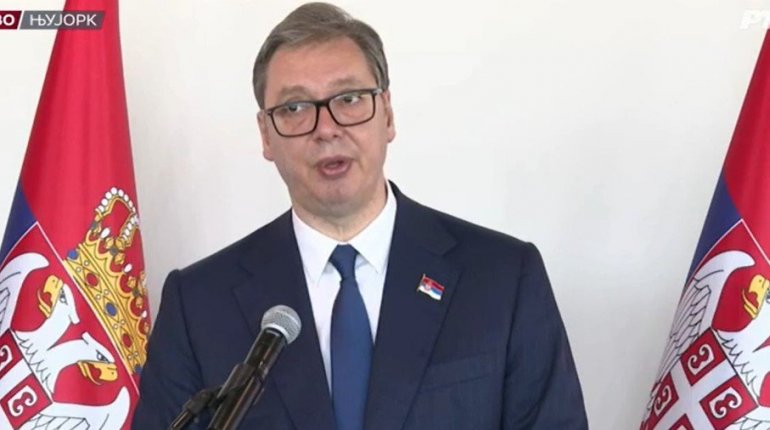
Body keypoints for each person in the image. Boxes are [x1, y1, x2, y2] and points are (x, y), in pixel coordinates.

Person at [133, 3, 588, 429]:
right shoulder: (199, 304)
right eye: (294, 108)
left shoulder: (502, 279)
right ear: (266, 136)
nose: (326, 128)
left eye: (349, 99)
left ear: (387, 114)